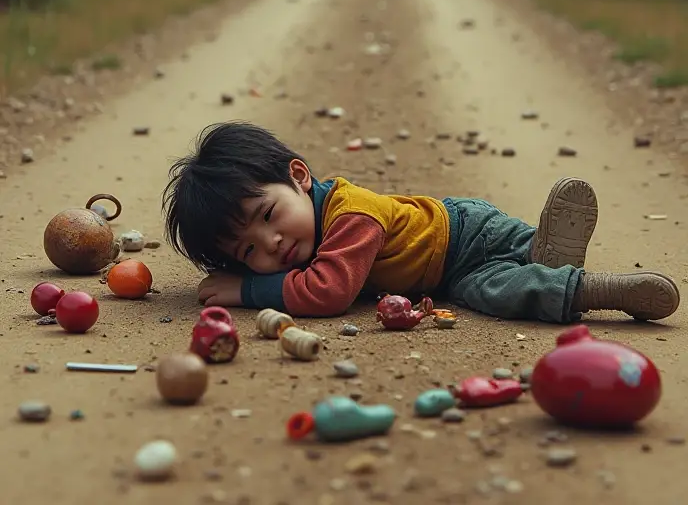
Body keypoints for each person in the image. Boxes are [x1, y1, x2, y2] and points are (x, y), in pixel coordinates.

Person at [162, 121, 680, 324]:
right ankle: (591, 287)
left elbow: (328, 293)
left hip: (467, 234)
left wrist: (249, 288)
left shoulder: (350, 213)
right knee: (497, 292)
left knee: (509, 266)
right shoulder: (307, 230)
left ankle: (547, 254)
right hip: (451, 274)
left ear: (300, 177)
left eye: (269, 216)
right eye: (248, 251)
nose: (272, 245)